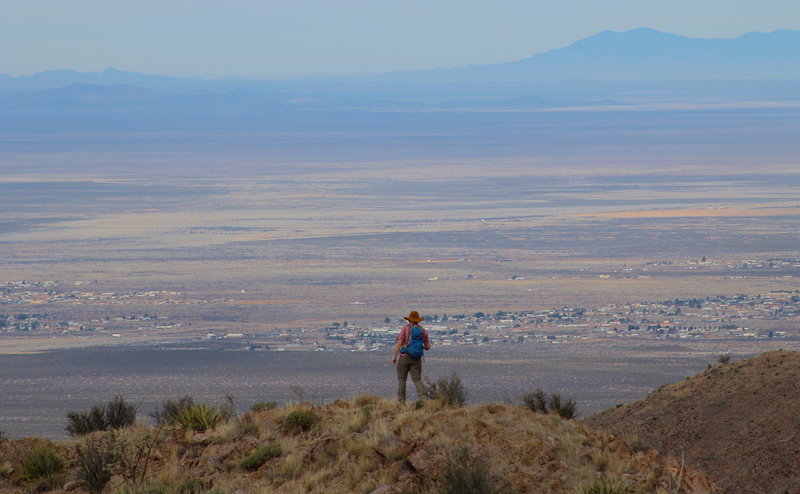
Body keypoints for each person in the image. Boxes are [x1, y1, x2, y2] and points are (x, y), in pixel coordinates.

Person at [391, 310, 431, 403]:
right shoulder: (423, 331)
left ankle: (401, 402)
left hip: (404, 357)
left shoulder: (405, 329)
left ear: (409, 320)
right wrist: (419, 347)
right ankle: (424, 400)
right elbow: (428, 347)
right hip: (417, 359)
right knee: (417, 379)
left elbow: (399, 343)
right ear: (418, 320)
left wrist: (394, 356)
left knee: (402, 379)